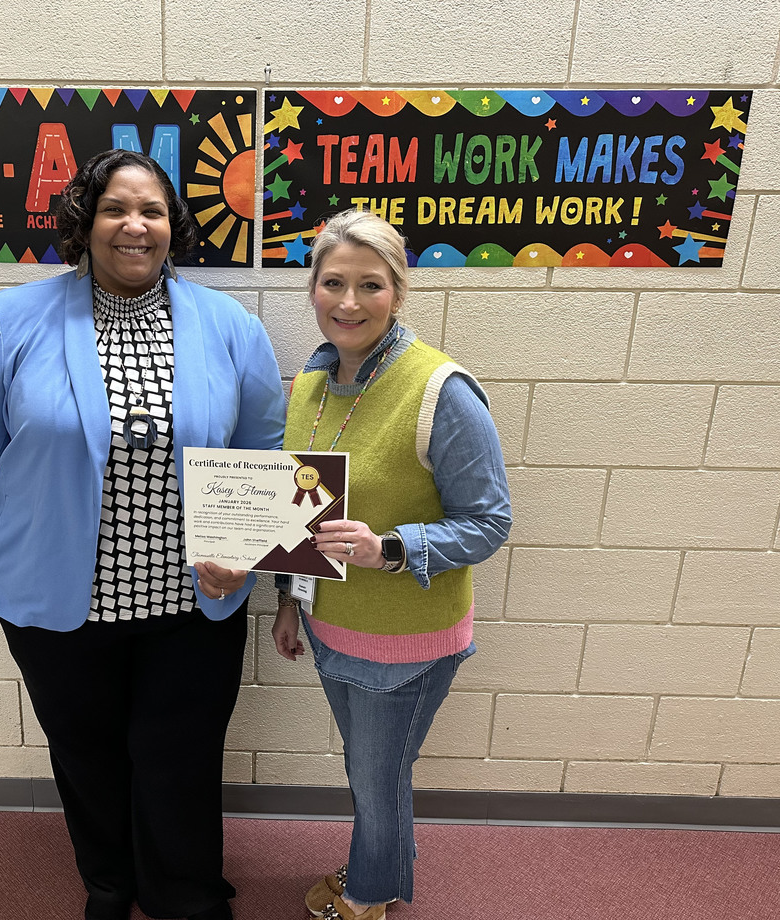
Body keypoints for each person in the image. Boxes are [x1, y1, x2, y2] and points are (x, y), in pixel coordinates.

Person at [0, 149, 286, 920]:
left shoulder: (229, 326)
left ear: (173, 227)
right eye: (117, 208)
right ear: (85, 221)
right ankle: (111, 886)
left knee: (180, 762)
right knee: (87, 759)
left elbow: (263, 460)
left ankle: (182, 893)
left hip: (192, 605)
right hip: (58, 606)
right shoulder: (10, 322)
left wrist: (245, 555)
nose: (135, 225)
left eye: (152, 210)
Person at [271, 209, 511, 920]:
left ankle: (370, 895)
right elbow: (299, 505)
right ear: (312, 289)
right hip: (332, 628)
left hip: (406, 641)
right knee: (371, 771)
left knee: (377, 779)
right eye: (334, 283)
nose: (349, 302)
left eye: (370, 285)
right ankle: (380, 869)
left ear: (399, 292)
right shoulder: (311, 384)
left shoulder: (442, 390)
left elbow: (491, 521)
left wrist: (392, 548)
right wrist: (290, 598)